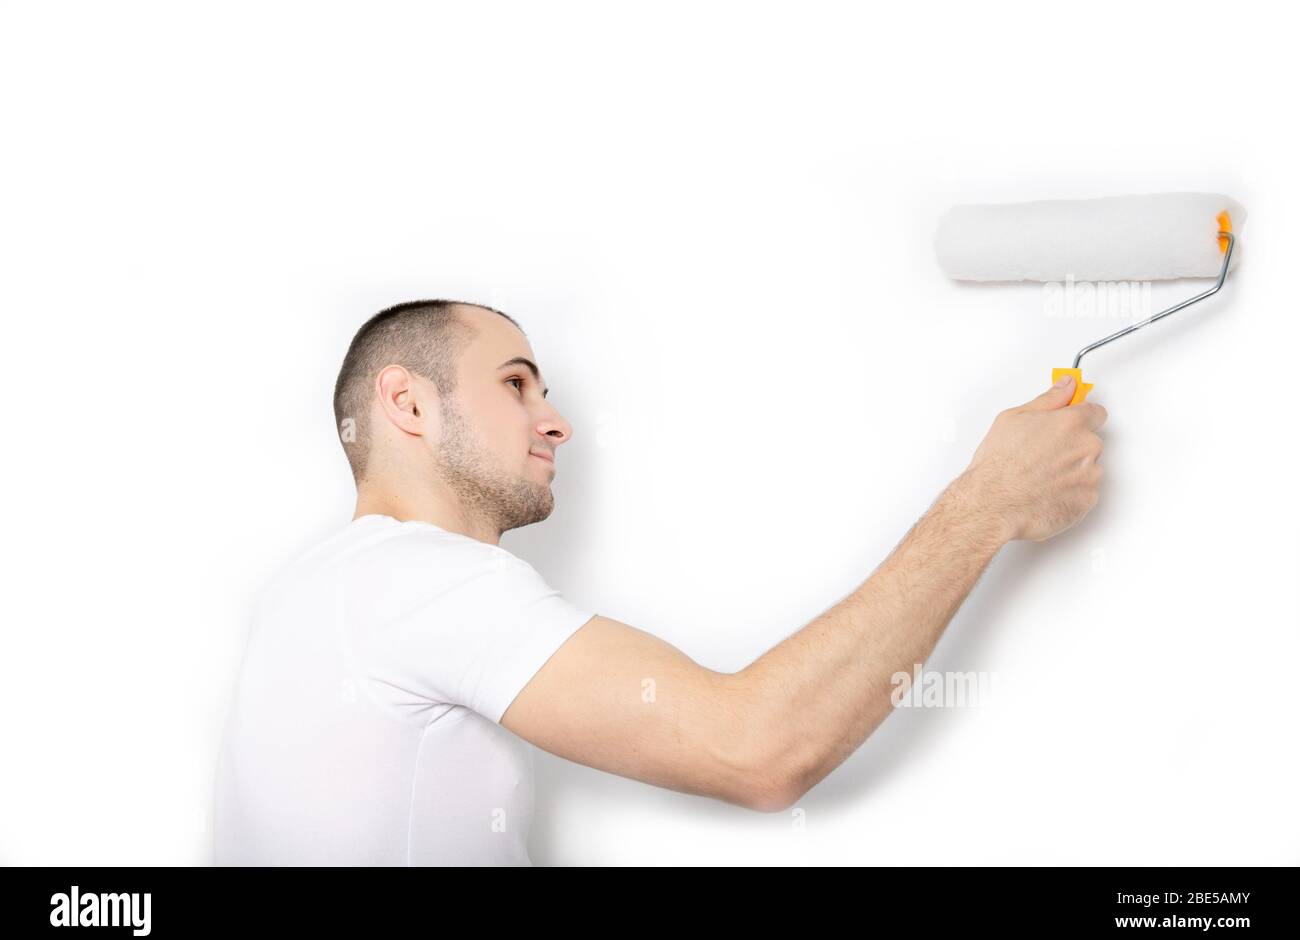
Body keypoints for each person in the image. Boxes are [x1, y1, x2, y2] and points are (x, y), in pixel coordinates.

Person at [213, 298, 1106, 865]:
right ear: (407, 403)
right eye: (516, 384)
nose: (554, 421)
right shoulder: (422, 582)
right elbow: (757, 747)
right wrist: (988, 503)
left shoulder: (310, 591)